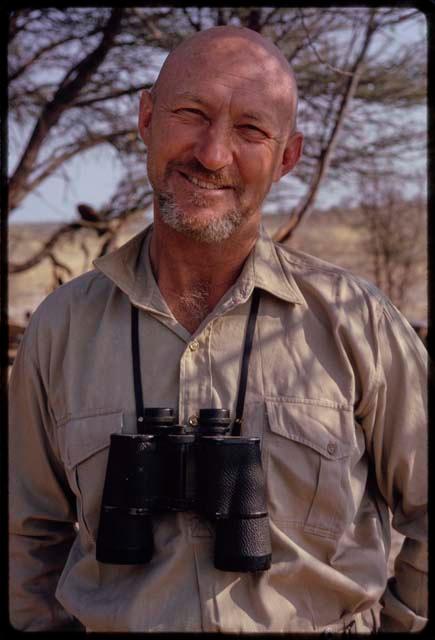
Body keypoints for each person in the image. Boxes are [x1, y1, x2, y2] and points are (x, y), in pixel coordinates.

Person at [8, 25, 427, 633]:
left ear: (287, 158)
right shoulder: (62, 327)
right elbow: (25, 541)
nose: (211, 153)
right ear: (146, 118)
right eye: (191, 113)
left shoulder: (356, 323)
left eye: (250, 130)